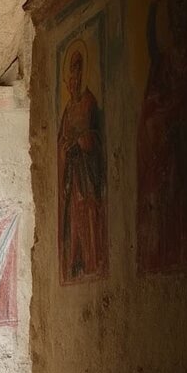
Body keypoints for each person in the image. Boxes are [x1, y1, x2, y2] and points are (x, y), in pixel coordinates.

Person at [137, 0, 187, 272]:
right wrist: (163, 114)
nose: (182, 11)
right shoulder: (164, 61)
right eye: (177, 3)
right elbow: (151, 105)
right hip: (167, 147)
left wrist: (184, 105)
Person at [57, 42, 107, 282]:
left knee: (87, 215)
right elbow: (60, 141)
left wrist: (80, 142)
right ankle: (76, 263)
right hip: (72, 175)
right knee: (74, 221)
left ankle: (91, 262)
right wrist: (65, 149)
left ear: (83, 73)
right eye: (71, 73)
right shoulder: (67, 110)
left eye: (78, 71)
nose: (74, 79)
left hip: (86, 175)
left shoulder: (89, 103)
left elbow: (96, 137)